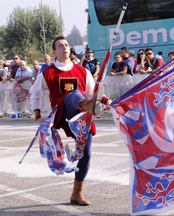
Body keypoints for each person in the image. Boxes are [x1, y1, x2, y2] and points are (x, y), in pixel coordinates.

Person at [30, 35, 111, 206]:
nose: (64, 47)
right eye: (60, 46)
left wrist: (107, 101)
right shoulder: (47, 73)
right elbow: (35, 93)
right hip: (62, 114)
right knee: (74, 94)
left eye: (66, 45)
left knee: (86, 153)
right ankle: (87, 106)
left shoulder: (82, 71)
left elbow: (94, 92)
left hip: (81, 117)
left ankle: (76, 193)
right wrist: (38, 116)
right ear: (54, 52)